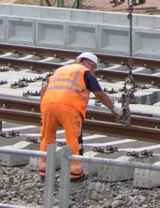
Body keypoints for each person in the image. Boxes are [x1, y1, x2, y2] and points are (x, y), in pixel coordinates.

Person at [39, 51, 120, 181]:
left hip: (48, 105)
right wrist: (114, 109)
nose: (93, 71)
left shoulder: (61, 69)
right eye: (94, 68)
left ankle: (44, 171)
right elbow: (100, 95)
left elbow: (44, 88)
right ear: (88, 64)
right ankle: (75, 173)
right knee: (73, 139)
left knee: (47, 138)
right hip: (69, 107)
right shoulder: (85, 72)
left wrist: (44, 107)